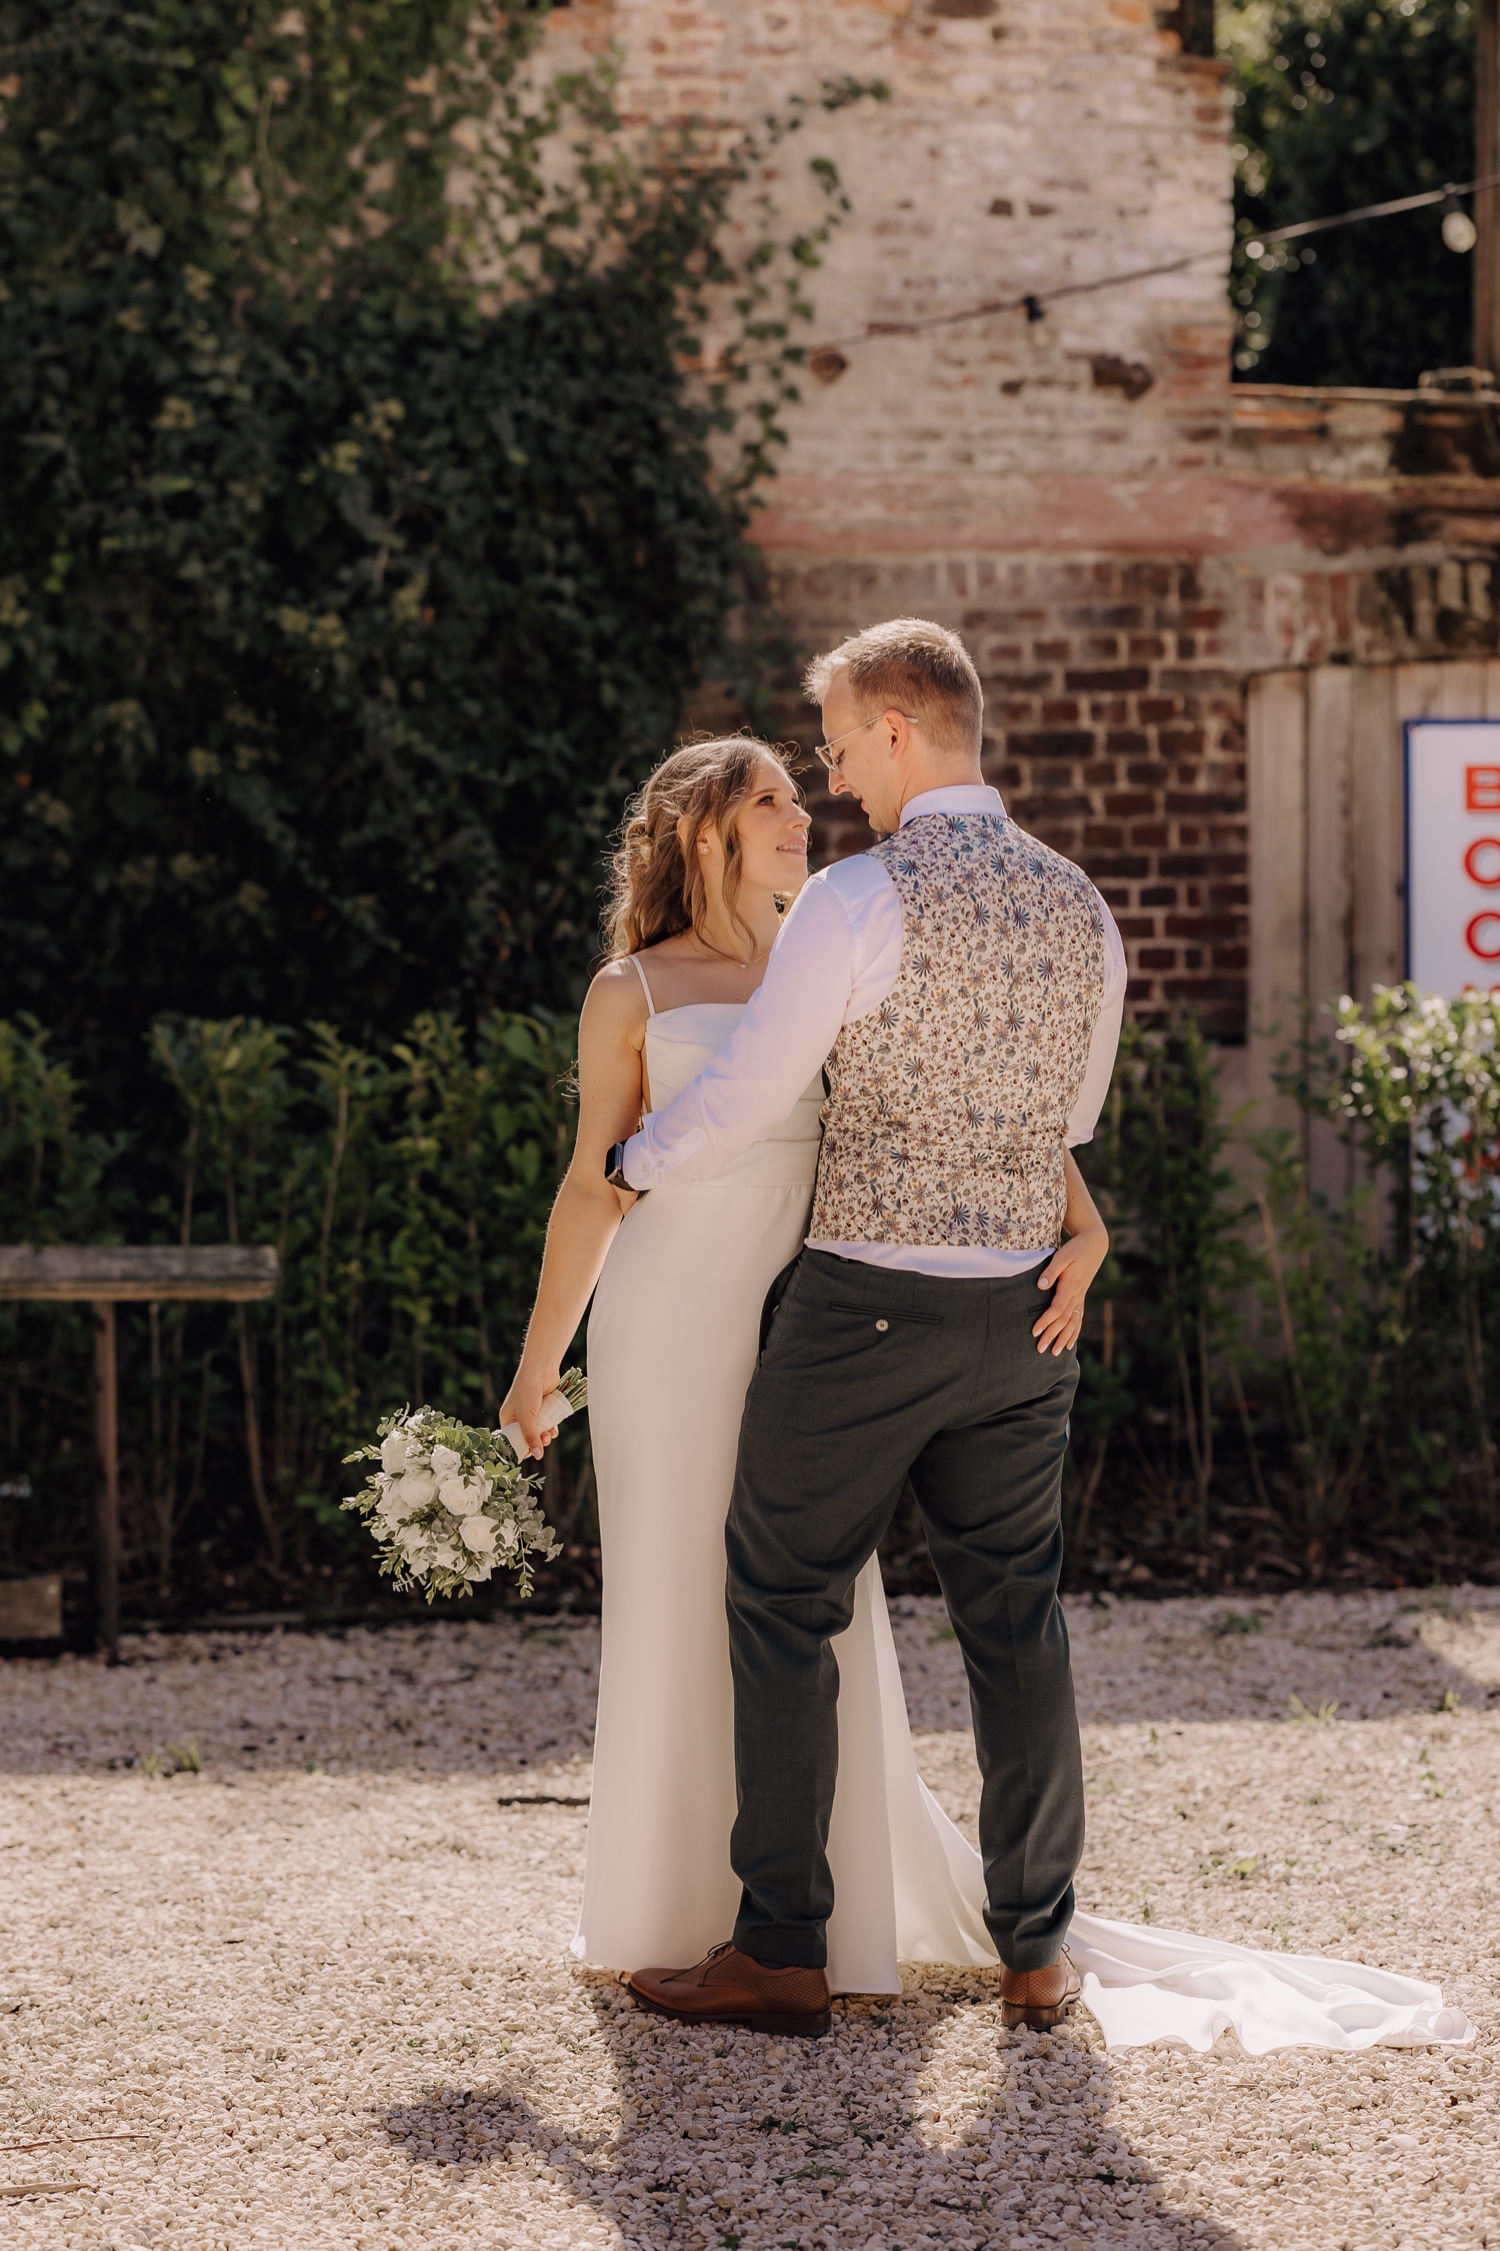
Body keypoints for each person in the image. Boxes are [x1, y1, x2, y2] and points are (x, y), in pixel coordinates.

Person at [501, 638, 1473, 2060]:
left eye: (835, 747)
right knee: (1014, 1625)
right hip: (1024, 1320)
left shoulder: (854, 898)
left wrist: (641, 1160)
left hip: (865, 1307)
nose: (830, 779)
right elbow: (1061, 1125)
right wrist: (1079, 1237)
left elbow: (757, 1086)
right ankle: (1034, 1955)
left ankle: (780, 1949)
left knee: (777, 1597)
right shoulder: (1083, 907)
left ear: (896, 732)